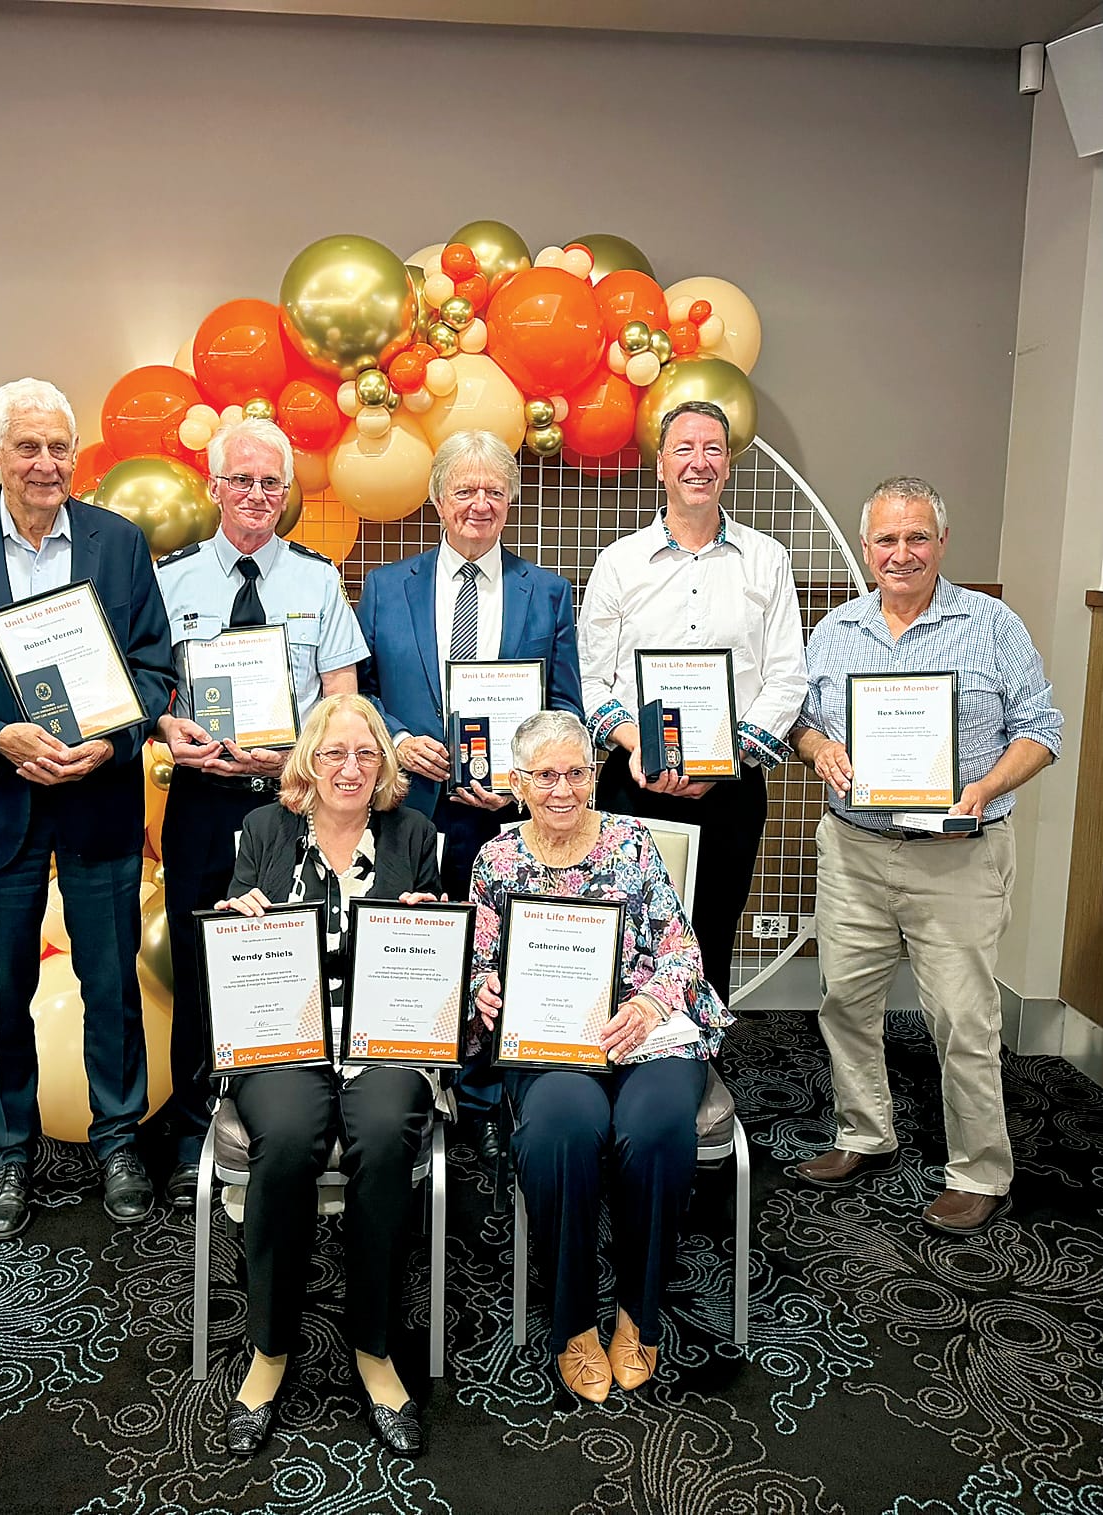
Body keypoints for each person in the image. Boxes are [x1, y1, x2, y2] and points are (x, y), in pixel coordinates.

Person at [0, 377, 175, 1240]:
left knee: (111, 985)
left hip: (97, 802)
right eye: (28, 446)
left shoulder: (118, 542)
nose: (46, 463)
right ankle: (8, 1153)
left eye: (59, 446)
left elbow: (154, 668)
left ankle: (118, 1138)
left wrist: (115, 739)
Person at [791, 477, 1062, 1234]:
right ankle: (863, 1132)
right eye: (886, 539)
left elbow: (1042, 728)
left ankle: (978, 1169)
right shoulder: (835, 629)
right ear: (866, 547)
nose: (900, 553)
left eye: (916, 537)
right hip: (854, 847)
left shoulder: (992, 623)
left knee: (960, 1018)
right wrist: (819, 750)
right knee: (844, 999)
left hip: (957, 854)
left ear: (941, 543)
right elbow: (800, 724)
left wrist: (984, 785)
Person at [469, 711, 732, 1402]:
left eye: (577, 772)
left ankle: (637, 1313)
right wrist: (483, 988)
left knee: (651, 1133)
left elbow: (680, 947)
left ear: (593, 773)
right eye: (545, 775)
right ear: (518, 781)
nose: (563, 789)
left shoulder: (631, 840)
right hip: (550, 1038)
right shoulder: (495, 858)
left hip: (645, 1030)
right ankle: (572, 1321)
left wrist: (647, 1004)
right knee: (560, 1130)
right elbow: (475, 960)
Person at [213, 694, 441, 1458]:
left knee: (383, 1135)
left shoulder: (413, 834)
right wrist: (237, 916)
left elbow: (437, 948)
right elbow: (232, 946)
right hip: (286, 1035)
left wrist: (427, 917)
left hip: (383, 1034)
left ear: (384, 764)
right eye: (334, 753)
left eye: (366, 753)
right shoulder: (263, 831)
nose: (350, 768)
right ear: (307, 761)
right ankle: (270, 1349)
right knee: (287, 1137)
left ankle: (373, 1347)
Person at [154, 418, 367, 1208]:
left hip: (291, 807)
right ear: (213, 487)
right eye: (240, 479)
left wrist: (295, 759)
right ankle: (189, 1130)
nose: (255, 494)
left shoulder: (317, 580)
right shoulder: (169, 579)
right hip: (204, 805)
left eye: (270, 482)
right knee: (200, 964)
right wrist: (166, 728)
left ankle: (289, 1124)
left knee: (296, 961)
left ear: (288, 494)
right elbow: (149, 694)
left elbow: (343, 701)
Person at [356, 429, 583, 1160]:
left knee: (500, 952)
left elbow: (567, 709)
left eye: (493, 491)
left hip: (507, 818)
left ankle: (485, 1098)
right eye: (464, 490)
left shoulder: (545, 592)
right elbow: (358, 693)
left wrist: (524, 772)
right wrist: (393, 737)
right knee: (420, 946)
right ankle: (415, 1087)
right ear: (436, 499)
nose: (478, 504)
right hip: (413, 809)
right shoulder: (386, 586)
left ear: (510, 501)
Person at [577, 400, 806, 1008]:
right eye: (683, 449)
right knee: (626, 935)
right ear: (660, 464)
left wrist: (722, 762)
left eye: (712, 449)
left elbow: (786, 679)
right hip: (633, 782)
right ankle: (622, 1064)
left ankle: (703, 1069)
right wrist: (634, 745)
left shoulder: (768, 559)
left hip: (729, 789)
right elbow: (592, 680)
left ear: (728, 464)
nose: (698, 463)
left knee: (711, 933)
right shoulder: (619, 563)